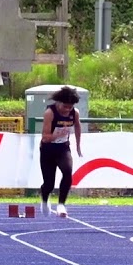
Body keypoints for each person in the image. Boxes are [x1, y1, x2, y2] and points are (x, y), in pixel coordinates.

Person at [38, 85, 83, 218]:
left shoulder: (74, 113)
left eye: (70, 107)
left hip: (63, 148)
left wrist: (78, 146)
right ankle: (45, 198)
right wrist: (57, 135)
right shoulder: (50, 113)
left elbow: (78, 127)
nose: (67, 110)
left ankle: (61, 204)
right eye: (65, 107)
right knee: (49, 183)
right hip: (48, 149)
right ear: (59, 103)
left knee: (68, 172)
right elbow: (45, 137)